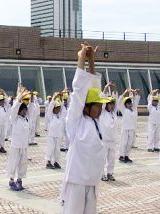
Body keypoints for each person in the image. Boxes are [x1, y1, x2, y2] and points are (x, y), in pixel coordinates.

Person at [61, 42, 110, 214]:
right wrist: (81, 58)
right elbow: (79, 90)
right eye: (97, 105)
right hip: (76, 182)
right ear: (87, 106)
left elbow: (94, 88)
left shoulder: (98, 122)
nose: (101, 107)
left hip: (92, 182)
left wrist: (92, 61)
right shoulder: (76, 122)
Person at [6, 87, 31, 191]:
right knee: (13, 163)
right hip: (16, 145)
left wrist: (30, 98)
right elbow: (14, 109)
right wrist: (19, 97)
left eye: (25, 110)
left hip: (24, 146)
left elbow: (32, 109)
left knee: (22, 164)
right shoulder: (15, 119)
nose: (24, 111)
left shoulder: (27, 119)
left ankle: (19, 180)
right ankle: (11, 181)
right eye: (23, 110)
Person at [100, 82, 118, 181]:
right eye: (109, 104)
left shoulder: (114, 113)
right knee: (102, 158)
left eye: (112, 104)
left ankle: (110, 173)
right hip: (104, 140)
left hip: (112, 140)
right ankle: (102, 174)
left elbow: (115, 97)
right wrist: (106, 88)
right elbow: (102, 98)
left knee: (111, 158)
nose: (111, 106)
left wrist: (114, 88)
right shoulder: (102, 112)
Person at [117, 89, 140, 163]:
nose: (129, 104)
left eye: (130, 103)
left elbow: (135, 101)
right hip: (125, 129)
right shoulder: (123, 109)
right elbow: (119, 102)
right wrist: (124, 93)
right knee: (123, 142)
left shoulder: (133, 109)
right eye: (127, 103)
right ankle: (121, 156)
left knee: (129, 143)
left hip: (132, 129)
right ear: (125, 104)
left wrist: (133, 94)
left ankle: (126, 156)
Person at [45, 93, 63, 169]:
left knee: (57, 149)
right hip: (52, 135)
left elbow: (63, 109)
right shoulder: (51, 116)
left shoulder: (60, 116)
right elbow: (49, 108)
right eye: (56, 108)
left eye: (58, 108)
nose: (58, 109)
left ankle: (56, 162)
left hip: (58, 135)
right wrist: (54, 99)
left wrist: (61, 98)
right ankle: (48, 162)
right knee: (51, 148)